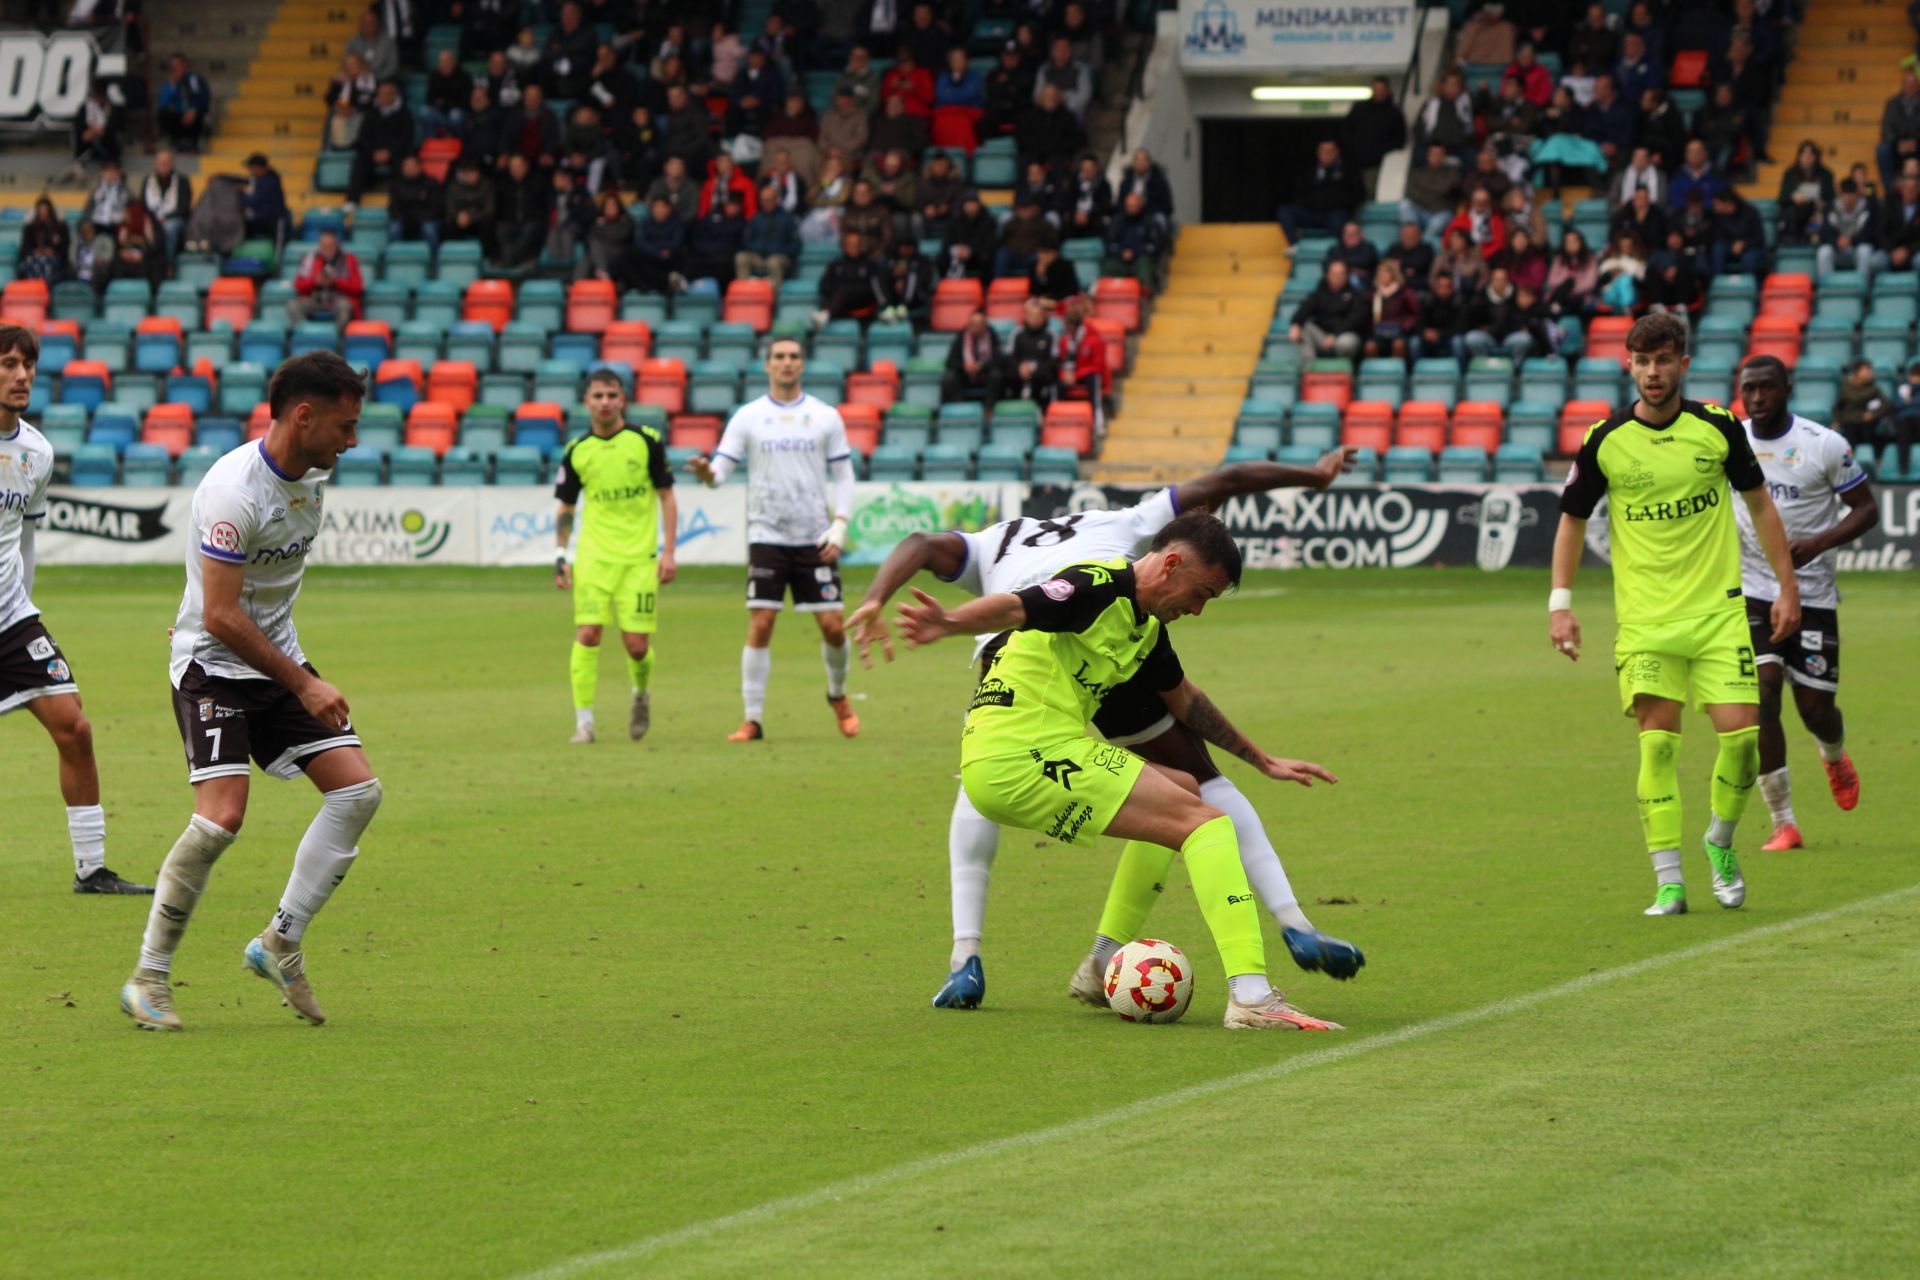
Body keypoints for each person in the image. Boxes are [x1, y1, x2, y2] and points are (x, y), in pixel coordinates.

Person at [848, 453, 1363, 1012]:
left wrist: (1260, 758)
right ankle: (1253, 994)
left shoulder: (1112, 602)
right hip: (1027, 717)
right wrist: (948, 622)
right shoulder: (1106, 565)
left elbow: (1184, 695)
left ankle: (1078, 962)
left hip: (1043, 697)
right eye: (1202, 595)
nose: (1198, 609)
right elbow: (1024, 606)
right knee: (1205, 822)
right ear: (1169, 564)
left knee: (1184, 790)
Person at [121, 351, 385, 1031]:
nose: (352, 440)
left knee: (357, 792)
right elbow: (220, 615)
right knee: (221, 819)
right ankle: (148, 978)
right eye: (344, 425)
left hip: (275, 662)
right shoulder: (234, 493)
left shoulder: (313, 476)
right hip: (212, 663)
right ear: (304, 416)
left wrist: (293, 674)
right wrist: (305, 683)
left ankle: (280, 942)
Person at [1550, 313, 1800, 917]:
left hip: (1718, 614)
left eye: (1664, 361)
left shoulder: (1716, 427)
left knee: (1743, 739)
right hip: (1646, 622)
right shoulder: (1605, 439)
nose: (1653, 372)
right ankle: (1669, 881)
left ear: (1682, 365)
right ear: (1628, 365)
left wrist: (1787, 587)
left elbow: (1761, 506)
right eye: (1643, 361)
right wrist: (1561, 604)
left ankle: (1719, 840)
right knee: (1657, 748)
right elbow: (1572, 519)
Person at [0, 325, 149, 896]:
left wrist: (25, 604)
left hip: (14, 619)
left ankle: (92, 869)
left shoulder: (36, 452)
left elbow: (26, 536)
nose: (22, 376)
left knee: (75, 726)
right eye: (10, 364)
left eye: (29, 365)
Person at [1731, 357, 1877, 852]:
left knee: (1816, 709)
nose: (1757, 398)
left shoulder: (1823, 444)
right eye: (1749, 389)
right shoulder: (1730, 441)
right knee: (1764, 690)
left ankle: (1833, 754)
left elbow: (1866, 510)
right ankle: (1783, 821)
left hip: (1812, 590)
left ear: (1786, 388)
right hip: (1750, 587)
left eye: (1767, 388)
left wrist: (1818, 542)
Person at [687, 339, 859, 743]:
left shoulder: (825, 416)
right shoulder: (748, 417)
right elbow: (720, 473)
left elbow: (845, 476)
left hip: (814, 535)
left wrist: (840, 524)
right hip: (767, 533)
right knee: (761, 623)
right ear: (767, 366)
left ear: (802, 365)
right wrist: (706, 475)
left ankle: (837, 695)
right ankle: (753, 719)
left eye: (793, 357)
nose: (786, 363)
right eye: (779, 357)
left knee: (833, 627)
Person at [554, 372, 678, 745]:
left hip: (639, 559)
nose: (605, 401)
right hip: (593, 557)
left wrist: (669, 551)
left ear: (622, 399)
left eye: (611, 395)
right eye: (597, 395)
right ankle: (584, 723)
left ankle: (641, 696)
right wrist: (561, 554)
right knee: (588, 633)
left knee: (637, 645)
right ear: (587, 402)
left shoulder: (646, 442)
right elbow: (566, 506)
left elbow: (667, 497)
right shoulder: (577, 449)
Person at [1277, 139, 1362, 249]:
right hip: (1311, 213)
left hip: (1335, 213)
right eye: (1323, 151)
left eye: (1330, 151)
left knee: (1339, 218)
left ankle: (1332, 250)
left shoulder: (1348, 170)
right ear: (1318, 153)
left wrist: (1337, 202)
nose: (1326, 154)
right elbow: (1299, 193)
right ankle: (1296, 246)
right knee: (1284, 210)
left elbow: (1358, 194)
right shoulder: (1310, 171)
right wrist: (1311, 203)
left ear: (1337, 152)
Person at [346, 80, 415, 209]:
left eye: (386, 94)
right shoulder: (371, 111)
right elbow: (363, 136)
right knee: (359, 161)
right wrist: (374, 151)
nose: (382, 97)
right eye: (380, 94)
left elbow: (406, 138)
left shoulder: (405, 113)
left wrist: (389, 152)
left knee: (403, 163)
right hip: (373, 152)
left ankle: (397, 202)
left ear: (394, 95)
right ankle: (352, 201)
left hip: (395, 152)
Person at [1287, 259, 1368, 362]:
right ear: (1327, 274)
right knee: (1301, 329)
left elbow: (1354, 320)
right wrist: (1296, 324)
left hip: (1343, 335)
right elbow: (1305, 308)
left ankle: (1344, 369)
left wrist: (1335, 335)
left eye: (1340, 274)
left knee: (1346, 343)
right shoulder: (1320, 292)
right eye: (1334, 273)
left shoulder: (1355, 295)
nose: (1337, 277)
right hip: (1321, 335)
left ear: (1347, 276)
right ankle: (1310, 366)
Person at [287, 231, 364, 333]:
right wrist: (315, 281)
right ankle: (307, 335)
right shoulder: (310, 259)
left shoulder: (348, 260)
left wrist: (336, 281)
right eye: (323, 245)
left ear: (337, 245)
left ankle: (336, 338)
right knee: (293, 305)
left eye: (330, 245)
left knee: (345, 306)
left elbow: (358, 287)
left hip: (338, 299)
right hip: (315, 298)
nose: (327, 249)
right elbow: (298, 284)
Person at [737, 182, 801, 288]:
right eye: (763, 200)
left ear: (776, 200)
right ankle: (745, 294)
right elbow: (746, 241)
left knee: (774, 262)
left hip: (780, 257)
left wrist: (778, 249)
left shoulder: (787, 218)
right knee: (741, 257)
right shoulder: (756, 218)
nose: (765, 203)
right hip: (759, 255)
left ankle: (774, 300)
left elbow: (796, 245)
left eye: (769, 200)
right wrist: (758, 247)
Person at [1816, 179, 1876, 284]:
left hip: (1856, 248)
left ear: (1856, 195)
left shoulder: (1866, 207)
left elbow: (1869, 232)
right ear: (1841, 195)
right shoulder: (1831, 207)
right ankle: (1827, 288)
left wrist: (1851, 241)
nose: (1848, 198)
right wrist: (1836, 240)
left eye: (1851, 194)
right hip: (1837, 249)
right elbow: (1824, 231)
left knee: (1865, 251)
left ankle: (1862, 288)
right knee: (1823, 252)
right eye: (1846, 194)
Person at [1000, 296, 1058, 404]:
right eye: (1031, 315)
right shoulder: (1017, 333)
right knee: (1004, 374)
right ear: (1026, 316)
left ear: (1043, 317)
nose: (1035, 319)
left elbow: (1054, 359)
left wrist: (1033, 368)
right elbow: (1009, 357)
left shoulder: (1050, 335)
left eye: (1038, 316)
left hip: (1041, 373)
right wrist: (1020, 366)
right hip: (1019, 372)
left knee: (1044, 375)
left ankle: (1041, 408)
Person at [155, 53, 211, 152]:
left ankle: (194, 142)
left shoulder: (194, 79)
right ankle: (175, 141)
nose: (175, 69)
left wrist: (195, 110)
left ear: (185, 65)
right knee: (163, 114)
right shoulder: (170, 83)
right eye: (173, 67)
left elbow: (204, 98)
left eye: (178, 66)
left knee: (199, 115)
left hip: (194, 115)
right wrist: (171, 86)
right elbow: (163, 104)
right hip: (180, 116)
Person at [142, 150, 192, 260]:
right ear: (156, 164)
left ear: (172, 164)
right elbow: (144, 204)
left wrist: (166, 218)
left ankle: (168, 264)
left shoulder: (182, 180)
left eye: (166, 162)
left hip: (176, 219)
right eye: (161, 162)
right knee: (147, 228)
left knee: (168, 227)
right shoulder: (148, 180)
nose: (163, 165)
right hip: (153, 218)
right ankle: (149, 266)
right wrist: (153, 220)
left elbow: (184, 207)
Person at [942, 309, 999, 402]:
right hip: (965, 377)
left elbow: (999, 360)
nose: (975, 327)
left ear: (984, 325)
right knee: (950, 376)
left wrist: (982, 366)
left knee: (996, 375)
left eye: (978, 324)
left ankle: (990, 408)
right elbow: (950, 361)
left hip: (985, 375)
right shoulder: (961, 336)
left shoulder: (992, 336)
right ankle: (958, 407)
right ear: (968, 324)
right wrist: (964, 366)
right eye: (972, 324)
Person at [1832, 358, 1890, 449]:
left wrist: (1873, 414)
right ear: (1857, 372)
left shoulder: (1873, 388)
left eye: (1870, 370)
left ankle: (1872, 460)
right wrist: (1836, 421)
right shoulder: (1845, 386)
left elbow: (1886, 404)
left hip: (1866, 421)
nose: (1870, 373)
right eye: (1867, 371)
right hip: (1849, 421)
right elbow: (1838, 406)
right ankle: (1848, 462)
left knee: (1874, 435)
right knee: (1848, 438)